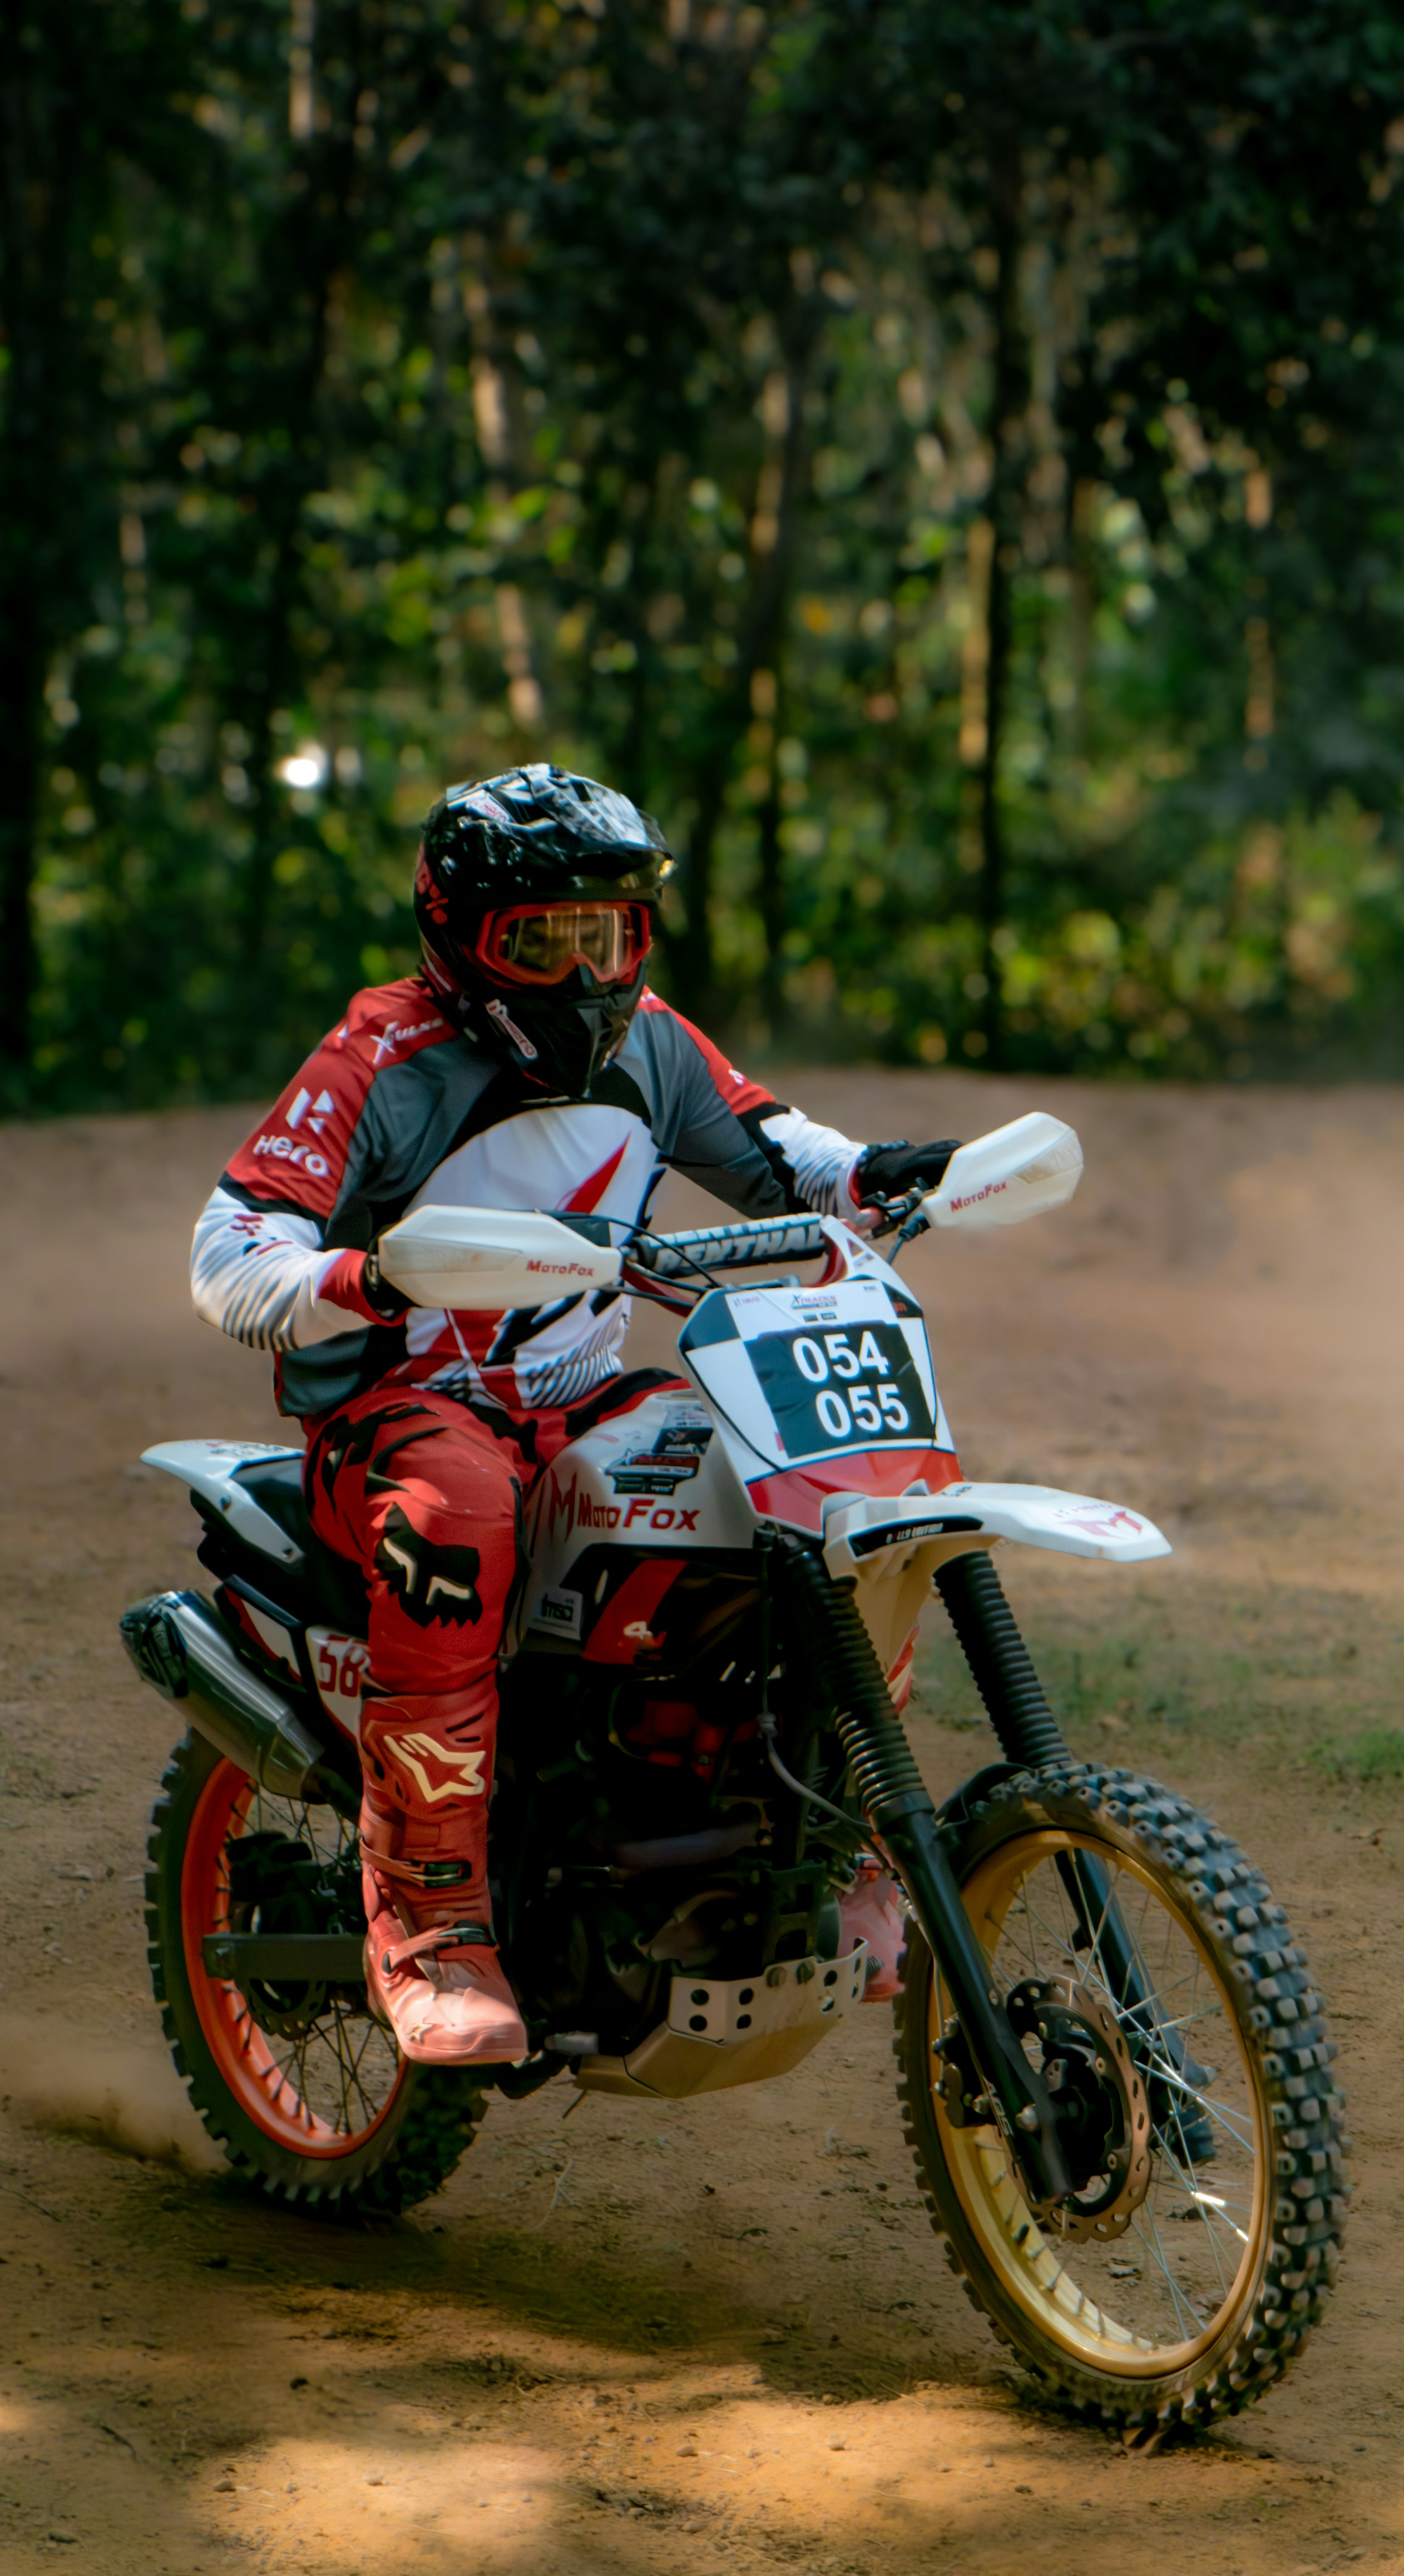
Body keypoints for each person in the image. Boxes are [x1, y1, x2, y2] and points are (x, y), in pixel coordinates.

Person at [189, 762, 954, 2068]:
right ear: (458, 936)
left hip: (583, 1395)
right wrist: (358, 1275)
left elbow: (777, 1146)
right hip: (401, 1409)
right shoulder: (378, 1052)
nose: (585, 971)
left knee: (800, 1481)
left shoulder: (650, 1038)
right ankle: (429, 1925)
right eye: (541, 939)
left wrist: (879, 1174)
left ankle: (823, 1838)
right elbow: (229, 1243)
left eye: (610, 934)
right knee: (460, 1509)